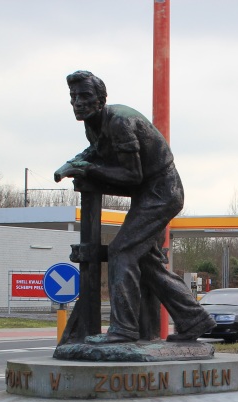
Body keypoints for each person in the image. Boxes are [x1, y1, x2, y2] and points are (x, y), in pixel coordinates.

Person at [54, 70, 213, 343]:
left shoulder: (119, 122)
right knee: (147, 262)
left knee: (121, 252)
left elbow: (132, 176)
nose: (77, 102)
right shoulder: (93, 124)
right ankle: (193, 318)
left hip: (162, 192)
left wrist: (88, 169)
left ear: (101, 99)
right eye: (73, 97)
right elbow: (94, 154)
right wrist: (75, 164)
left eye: (85, 96)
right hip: (148, 193)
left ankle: (124, 330)